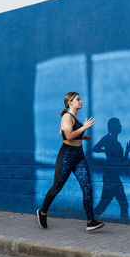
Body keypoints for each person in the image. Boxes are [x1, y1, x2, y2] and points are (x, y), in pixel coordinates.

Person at [37, 92, 105, 231]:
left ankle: (90, 221)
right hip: (67, 155)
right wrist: (84, 128)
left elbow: (63, 133)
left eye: (80, 99)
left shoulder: (75, 118)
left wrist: (83, 136)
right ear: (70, 103)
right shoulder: (67, 116)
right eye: (78, 99)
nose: (81, 101)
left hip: (79, 155)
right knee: (57, 187)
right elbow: (67, 136)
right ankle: (42, 212)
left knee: (87, 187)